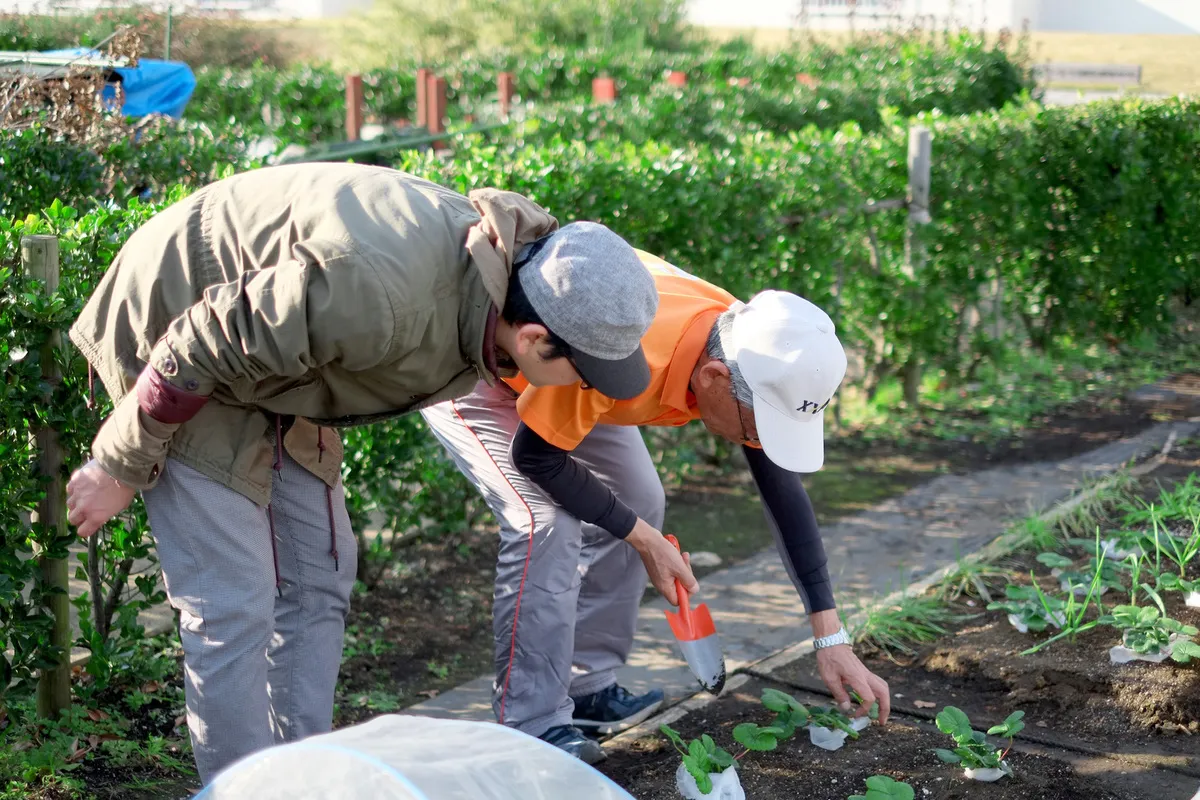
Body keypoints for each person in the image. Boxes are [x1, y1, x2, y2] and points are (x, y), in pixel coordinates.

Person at [63, 163, 663, 784]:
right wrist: (120, 461)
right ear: (536, 338)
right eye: (587, 373)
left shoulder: (506, 280)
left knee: (320, 574)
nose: (591, 389)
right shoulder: (381, 297)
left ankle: (299, 781)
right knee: (233, 602)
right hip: (176, 327)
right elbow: (199, 339)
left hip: (277, 361)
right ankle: (243, 791)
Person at [421, 249, 890, 764]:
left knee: (638, 500)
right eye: (759, 428)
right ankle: (533, 724)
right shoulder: (641, 350)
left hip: (579, 381)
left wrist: (830, 634)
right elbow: (536, 458)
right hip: (493, 371)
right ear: (712, 379)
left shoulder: (750, 347)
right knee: (546, 523)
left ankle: (587, 688)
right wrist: (642, 539)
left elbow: (781, 488)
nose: (759, 441)